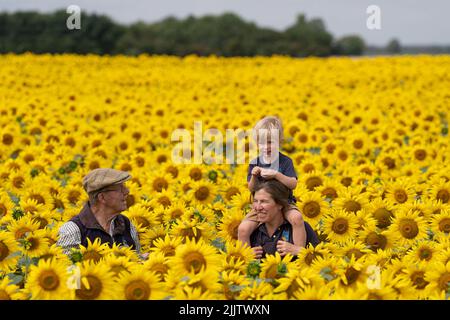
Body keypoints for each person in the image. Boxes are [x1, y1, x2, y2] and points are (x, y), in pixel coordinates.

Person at [238, 115, 306, 248]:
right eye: (261, 143)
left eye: (270, 142)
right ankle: (245, 256)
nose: (266, 147)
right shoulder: (255, 163)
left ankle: (299, 249)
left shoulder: (285, 161)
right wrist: (253, 176)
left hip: (285, 203)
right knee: (243, 229)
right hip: (261, 207)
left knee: (297, 219)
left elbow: (293, 184)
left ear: (279, 142)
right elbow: (251, 188)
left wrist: (276, 175)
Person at [57, 168, 147, 259]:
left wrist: (143, 259)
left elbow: (136, 261)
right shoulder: (72, 231)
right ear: (102, 197)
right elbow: (69, 270)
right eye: (120, 188)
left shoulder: (126, 224)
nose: (127, 192)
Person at [250, 180, 319, 258]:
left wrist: (299, 251)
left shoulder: (301, 227)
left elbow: (320, 258)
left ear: (280, 204)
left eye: (264, 201)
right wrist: (247, 257)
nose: (258, 207)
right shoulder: (253, 232)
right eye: (255, 201)